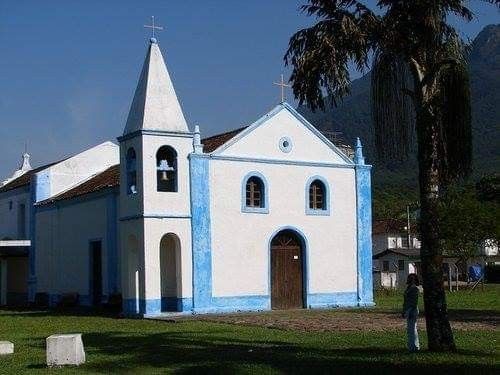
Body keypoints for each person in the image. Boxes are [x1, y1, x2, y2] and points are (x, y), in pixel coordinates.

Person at [402, 273, 420, 352]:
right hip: (408, 309)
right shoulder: (408, 288)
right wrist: (404, 310)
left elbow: (414, 301)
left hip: (412, 309)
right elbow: (405, 301)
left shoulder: (414, 289)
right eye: (410, 278)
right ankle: (411, 346)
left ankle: (415, 346)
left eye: (412, 279)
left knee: (413, 329)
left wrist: (411, 310)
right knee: (410, 329)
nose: (411, 280)